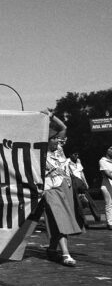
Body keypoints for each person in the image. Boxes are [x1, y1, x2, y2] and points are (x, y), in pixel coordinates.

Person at [42, 112, 83, 266]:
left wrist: (51, 116)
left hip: (65, 188)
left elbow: (63, 127)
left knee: (57, 221)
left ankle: (52, 250)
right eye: (53, 139)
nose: (57, 141)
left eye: (56, 138)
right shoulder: (39, 155)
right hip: (50, 189)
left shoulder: (58, 150)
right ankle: (66, 254)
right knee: (61, 219)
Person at [68, 151, 101, 224]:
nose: (76, 155)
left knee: (90, 200)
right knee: (78, 203)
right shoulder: (67, 162)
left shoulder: (78, 162)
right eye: (74, 154)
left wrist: (85, 182)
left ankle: (97, 216)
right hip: (73, 182)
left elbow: (81, 173)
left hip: (80, 182)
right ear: (70, 154)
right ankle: (83, 221)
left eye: (77, 154)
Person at [100, 145, 112, 230]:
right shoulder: (102, 161)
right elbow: (107, 174)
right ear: (106, 150)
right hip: (107, 185)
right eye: (111, 148)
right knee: (109, 204)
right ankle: (110, 223)